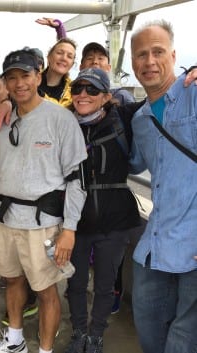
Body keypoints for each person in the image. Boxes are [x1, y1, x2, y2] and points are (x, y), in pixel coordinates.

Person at [0, 49, 86, 353]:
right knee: (12, 281)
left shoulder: (61, 119)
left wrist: (70, 229)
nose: (19, 84)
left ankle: (45, 350)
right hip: (5, 220)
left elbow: (77, 180)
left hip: (44, 224)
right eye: (11, 78)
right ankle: (15, 341)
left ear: (38, 76)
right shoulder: (1, 121)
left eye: (25, 76)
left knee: (46, 290)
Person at [128, 20, 197, 353]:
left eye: (158, 52)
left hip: (194, 245)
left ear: (173, 54)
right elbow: (131, 164)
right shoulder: (140, 119)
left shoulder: (194, 93)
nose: (150, 62)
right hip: (155, 247)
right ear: (132, 63)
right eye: (142, 54)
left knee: (183, 342)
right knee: (150, 332)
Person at [64, 67, 142, 353]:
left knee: (105, 284)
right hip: (75, 221)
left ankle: (96, 335)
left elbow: (159, 95)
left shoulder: (123, 118)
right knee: (75, 283)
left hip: (115, 219)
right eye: (78, 89)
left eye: (92, 90)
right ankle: (78, 333)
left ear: (107, 96)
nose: (83, 94)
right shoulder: (64, 123)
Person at [0, 71, 39, 323]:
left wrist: (10, 103)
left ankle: (30, 304)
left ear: (6, 87)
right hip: (2, 202)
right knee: (13, 263)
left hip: (32, 206)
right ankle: (20, 303)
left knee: (31, 264)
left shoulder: (26, 113)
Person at [80, 42, 135, 106]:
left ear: (108, 68)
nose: (95, 62)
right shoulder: (72, 94)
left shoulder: (122, 96)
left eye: (100, 58)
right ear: (81, 67)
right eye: (89, 58)